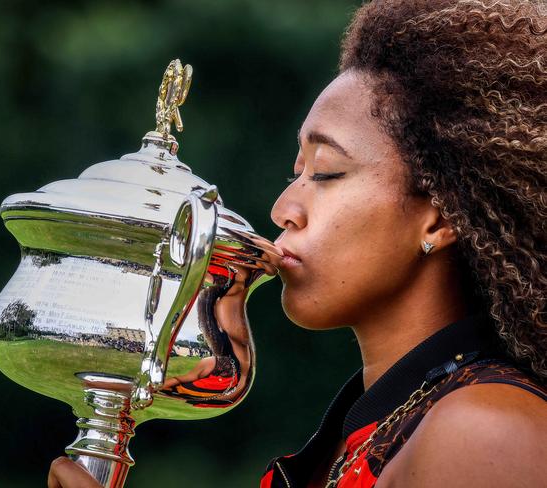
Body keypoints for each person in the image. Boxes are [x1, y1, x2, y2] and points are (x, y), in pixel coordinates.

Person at [48, 0, 547, 486]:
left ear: (439, 218)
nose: (283, 208)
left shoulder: (485, 431)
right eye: (297, 172)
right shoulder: (367, 433)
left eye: (326, 172)